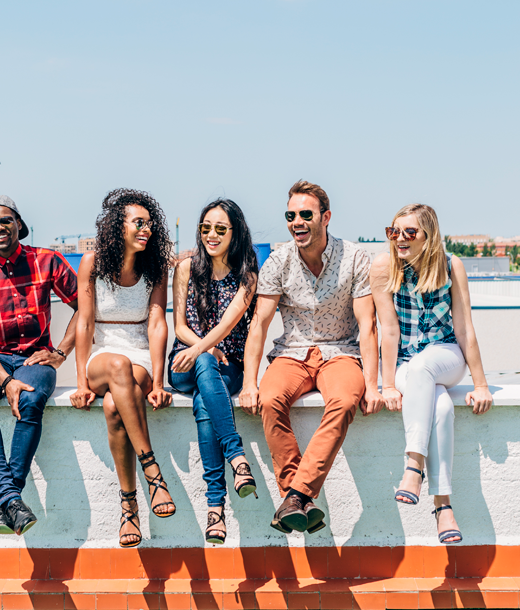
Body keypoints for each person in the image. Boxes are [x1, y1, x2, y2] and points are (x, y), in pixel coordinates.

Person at [239, 179, 384, 534]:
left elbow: (368, 326)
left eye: (306, 214)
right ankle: (300, 499)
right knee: (270, 399)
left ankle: (294, 496)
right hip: (292, 352)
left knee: (345, 400)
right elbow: (259, 324)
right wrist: (248, 382)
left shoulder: (355, 258)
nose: (297, 222)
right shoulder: (278, 261)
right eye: (291, 215)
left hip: (341, 351)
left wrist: (374, 384)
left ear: (326, 217)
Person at [370, 204, 492, 543]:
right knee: (440, 407)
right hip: (407, 362)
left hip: (446, 355)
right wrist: (389, 384)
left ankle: (413, 466)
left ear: (429, 236)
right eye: (394, 231)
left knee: (427, 367)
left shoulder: (452, 265)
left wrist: (480, 384)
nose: (400, 239)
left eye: (410, 232)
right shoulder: (383, 267)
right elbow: (389, 331)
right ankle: (443, 507)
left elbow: (465, 328)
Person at [0, 195, 79, 535]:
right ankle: (11, 498)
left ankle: (5, 500)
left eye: (5, 220)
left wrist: (60, 352)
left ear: (18, 224)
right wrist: (3, 378)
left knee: (29, 401)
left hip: (34, 356)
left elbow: (85, 306)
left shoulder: (48, 261)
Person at [70, 189, 174, 548]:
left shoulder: (155, 268)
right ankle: (153, 472)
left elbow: (158, 323)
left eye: (149, 224)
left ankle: (129, 505)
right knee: (117, 365)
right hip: (103, 354)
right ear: (118, 227)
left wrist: (158, 381)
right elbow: (84, 323)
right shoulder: (92, 264)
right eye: (138, 223)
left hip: (140, 355)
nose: (145, 230)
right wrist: (81, 381)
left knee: (115, 406)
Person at [169, 199, 259, 544]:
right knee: (205, 362)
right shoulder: (186, 268)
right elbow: (179, 326)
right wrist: (201, 348)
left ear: (235, 233)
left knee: (204, 403)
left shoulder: (247, 277)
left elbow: (228, 323)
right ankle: (237, 457)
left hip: (228, 366)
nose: (212, 234)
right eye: (206, 227)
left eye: (221, 228)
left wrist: (205, 348)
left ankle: (215, 507)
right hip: (184, 363)